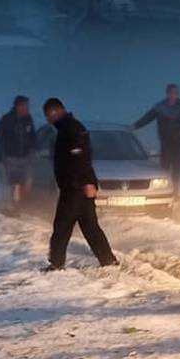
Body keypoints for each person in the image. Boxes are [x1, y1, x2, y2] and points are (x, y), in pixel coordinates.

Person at [42, 98, 118, 271]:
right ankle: (108, 260)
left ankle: (56, 263)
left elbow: (80, 157)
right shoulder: (67, 127)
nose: (47, 119)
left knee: (62, 225)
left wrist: (86, 182)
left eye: (48, 115)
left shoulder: (71, 128)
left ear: (55, 112)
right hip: (79, 186)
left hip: (75, 187)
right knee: (90, 226)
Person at [132, 82, 180, 190]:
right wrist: (135, 126)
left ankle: (175, 189)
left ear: (177, 94)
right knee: (165, 166)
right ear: (167, 94)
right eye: (171, 93)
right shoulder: (160, 107)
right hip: (165, 140)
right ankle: (164, 187)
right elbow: (147, 118)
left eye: (175, 93)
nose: (173, 96)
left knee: (177, 166)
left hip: (178, 140)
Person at [0, 94, 37, 210]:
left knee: (27, 182)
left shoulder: (28, 119)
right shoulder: (6, 120)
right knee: (14, 182)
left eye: (27, 106)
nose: (26, 108)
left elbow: (33, 136)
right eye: (24, 106)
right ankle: (13, 205)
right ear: (18, 106)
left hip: (26, 156)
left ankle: (21, 203)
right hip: (11, 156)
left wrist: (34, 149)